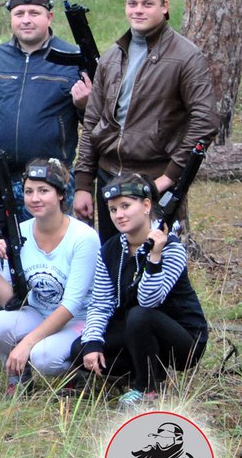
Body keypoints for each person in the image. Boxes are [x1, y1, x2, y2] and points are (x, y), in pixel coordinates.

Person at [73, 0, 219, 243]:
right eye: (132, 3)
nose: (138, 9)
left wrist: (168, 178)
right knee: (112, 260)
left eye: (147, 3)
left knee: (153, 261)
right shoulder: (112, 57)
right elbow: (93, 121)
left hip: (151, 179)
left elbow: (206, 121)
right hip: (109, 176)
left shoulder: (187, 57)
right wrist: (83, 183)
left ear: (164, 7)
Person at [75, 174, 208, 410]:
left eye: (126, 206)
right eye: (113, 209)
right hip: (138, 331)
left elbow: (150, 300)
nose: (119, 215)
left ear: (146, 206)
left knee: (139, 315)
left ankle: (147, 389)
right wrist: (93, 342)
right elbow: (101, 303)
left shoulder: (172, 248)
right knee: (80, 349)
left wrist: (154, 257)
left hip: (182, 340)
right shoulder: (110, 249)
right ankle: (136, 372)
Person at [0, 159, 100, 395]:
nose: (35, 198)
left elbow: (71, 305)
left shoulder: (83, 238)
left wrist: (26, 343)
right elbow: (11, 302)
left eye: (43, 191)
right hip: (38, 313)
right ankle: (18, 380)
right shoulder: (20, 232)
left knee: (43, 357)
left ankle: (78, 375)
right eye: (29, 191)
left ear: (60, 195)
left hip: (78, 320)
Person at [0, 0, 88, 215]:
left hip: (51, 178)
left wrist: (85, 105)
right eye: (19, 14)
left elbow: (96, 121)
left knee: (50, 245)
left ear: (49, 17)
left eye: (34, 13)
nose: (26, 20)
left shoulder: (73, 59)